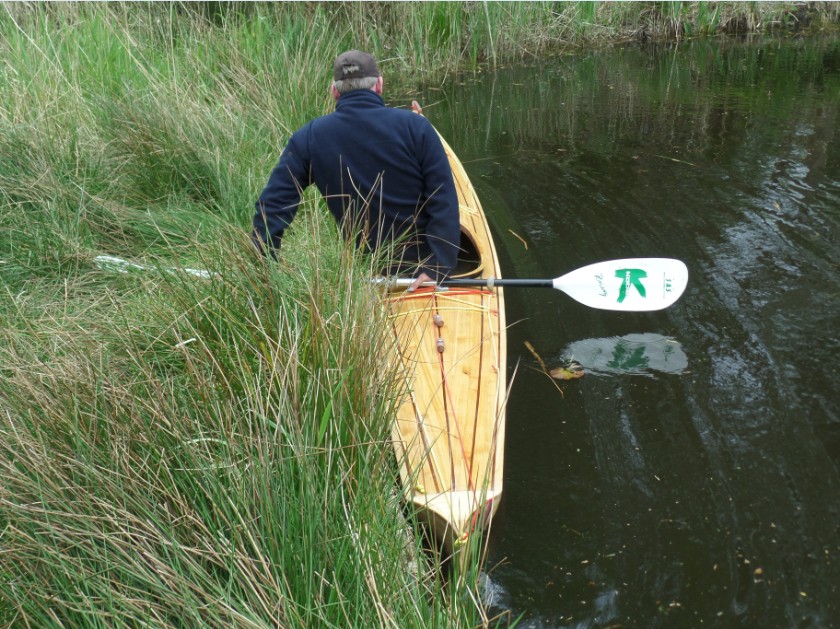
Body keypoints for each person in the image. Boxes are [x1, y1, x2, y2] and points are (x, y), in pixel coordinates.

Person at [252, 50, 461, 291]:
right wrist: (438, 267)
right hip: (424, 274)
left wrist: (264, 268)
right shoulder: (417, 127)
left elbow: (272, 206)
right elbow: (443, 199)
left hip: (366, 276)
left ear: (334, 91)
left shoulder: (309, 138)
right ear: (379, 85)